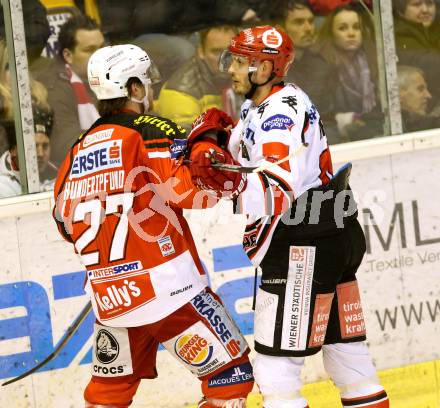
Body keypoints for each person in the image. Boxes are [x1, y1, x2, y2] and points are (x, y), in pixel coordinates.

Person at [187, 25, 389, 408]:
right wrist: (209, 142)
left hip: (303, 244)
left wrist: (220, 183)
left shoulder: (278, 114)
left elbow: (276, 189)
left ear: (264, 68)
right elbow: (236, 151)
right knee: (348, 356)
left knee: (275, 370)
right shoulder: (265, 103)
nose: (230, 68)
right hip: (334, 233)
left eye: (241, 61)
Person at [52, 44, 254, 408]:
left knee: (109, 394)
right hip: (169, 290)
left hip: (110, 297)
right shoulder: (149, 130)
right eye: (147, 81)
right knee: (229, 377)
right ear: (133, 88)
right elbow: (194, 193)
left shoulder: (76, 150)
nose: (153, 88)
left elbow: (65, 226)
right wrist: (209, 147)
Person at [35, 14, 104, 166]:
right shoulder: (52, 89)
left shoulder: (108, 74)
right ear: (68, 55)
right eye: (90, 50)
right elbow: (67, 147)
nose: (100, 56)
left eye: (101, 48)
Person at [315, 5, 383, 142]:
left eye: (356, 27)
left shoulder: (376, 59)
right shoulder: (321, 64)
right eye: (342, 28)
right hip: (338, 134)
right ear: (331, 33)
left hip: (373, 126)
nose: (351, 33)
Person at [157, 25, 238, 131]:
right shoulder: (180, 95)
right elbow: (190, 143)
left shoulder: (240, 76)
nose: (224, 59)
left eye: (230, 51)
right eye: (216, 52)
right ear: (201, 52)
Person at [281, 0, 336, 120]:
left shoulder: (321, 64)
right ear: (280, 29)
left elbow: (328, 118)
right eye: (299, 22)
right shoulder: (268, 70)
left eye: (311, 21)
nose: (308, 28)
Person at [0, 106, 56, 198]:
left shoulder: (58, 174)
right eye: (32, 146)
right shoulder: (3, 188)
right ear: (13, 150)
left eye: (45, 146)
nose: (40, 154)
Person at [393, 0, 440, 102]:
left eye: (429, 3)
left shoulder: (433, 28)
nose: (425, 10)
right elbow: (428, 64)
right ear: (401, 10)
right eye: (417, 4)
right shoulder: (399, 32)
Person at [397, 65, 440, 132]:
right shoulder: (381, 129)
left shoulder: (414, 122)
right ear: (397, 94)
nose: (429, 96)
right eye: (420, 89)